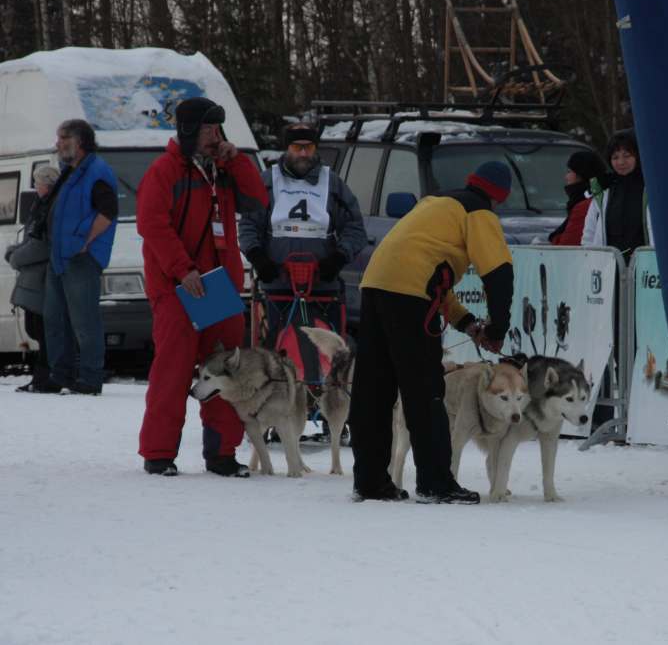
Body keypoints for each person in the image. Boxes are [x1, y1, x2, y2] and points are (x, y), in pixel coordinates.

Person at [349, 161, 515, 503]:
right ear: (499, 198)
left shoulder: (435, 204)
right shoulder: (478, 212)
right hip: (409, 294)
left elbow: (432, 278)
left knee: (374, 389)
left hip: (375, 285)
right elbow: (498, 272)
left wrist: (466, 322)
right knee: (424, 389)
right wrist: (497, 328)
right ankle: (435, 482)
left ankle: (370, 481)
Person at [135, 97, 269, 478]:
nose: (215, 137)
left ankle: (222, 453)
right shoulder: (164, 172)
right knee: (173, 371)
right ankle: (159, 454)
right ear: (189, 132)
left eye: (219, 130)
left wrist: (238, 160)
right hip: (179, 288)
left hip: (217, 288)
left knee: (225, 370)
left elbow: (258, 202)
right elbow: (152, 226)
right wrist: (183, 270)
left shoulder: (223, 169)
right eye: (209, 130)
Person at [238, 123, 367, 351]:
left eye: (309, 147)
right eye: (297, 147)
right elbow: (249, 225)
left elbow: (354, 227)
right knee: (277, 351)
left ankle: (323, 385)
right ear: (287, 149)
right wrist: (257, 256)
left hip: (322, 286)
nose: (304, 153)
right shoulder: (267, 181)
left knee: (324, 352)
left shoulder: (332, 183)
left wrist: (338, 257)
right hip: (277, 284)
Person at [44, 119, 118, 395]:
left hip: (80, 258)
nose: (58, 143)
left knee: (85, 321)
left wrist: (85, 242)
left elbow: (108, 212)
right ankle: (59, 374)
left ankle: (90, 377)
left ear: (81, 142)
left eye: (64, 138)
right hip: (60, 257)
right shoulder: (69, 171)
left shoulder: (97, 172)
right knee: (54, 319)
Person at [4, 166, 62, 393]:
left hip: (42, 278)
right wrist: (16, 251)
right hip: (34, 278)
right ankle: (41, 376)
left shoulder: (49, 207)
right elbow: (31, 238)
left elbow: (40, 244)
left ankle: (45, 376)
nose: (35, 187)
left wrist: (16, 257)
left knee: (42, 329)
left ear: (46, 185)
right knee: (36, 328)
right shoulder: (42, 206)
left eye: (37, 183)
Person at [580, 129, 653, 259]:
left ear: (638, 156)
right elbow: (589, 235)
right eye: (615, 157)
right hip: (609, 269)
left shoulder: (652, 189)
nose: (621, 162)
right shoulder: (603, 191)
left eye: (627, 155)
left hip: (645, 270)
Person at [548, 150, 604, 246]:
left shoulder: (584, 206)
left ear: (581, 174)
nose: (566, 177)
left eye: (569, 171)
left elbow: (567, 245)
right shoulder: (599, 197)